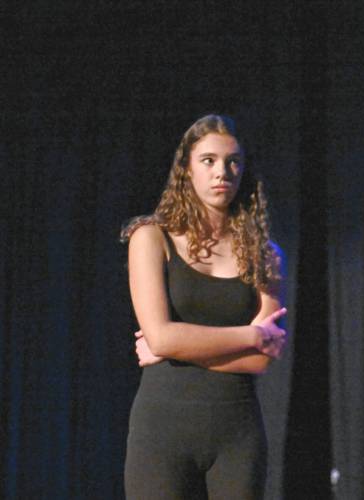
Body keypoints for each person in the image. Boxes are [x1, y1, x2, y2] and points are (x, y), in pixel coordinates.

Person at [121, 114, 286, 500]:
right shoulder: (150, 237)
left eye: (233, 162)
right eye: (208, 160)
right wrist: (249, 335)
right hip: (161, 432)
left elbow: (265, 356)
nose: (222, 172)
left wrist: (177, 347)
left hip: (237, 434)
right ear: (187, 170)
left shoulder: (264, 253)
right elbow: (160, 336)